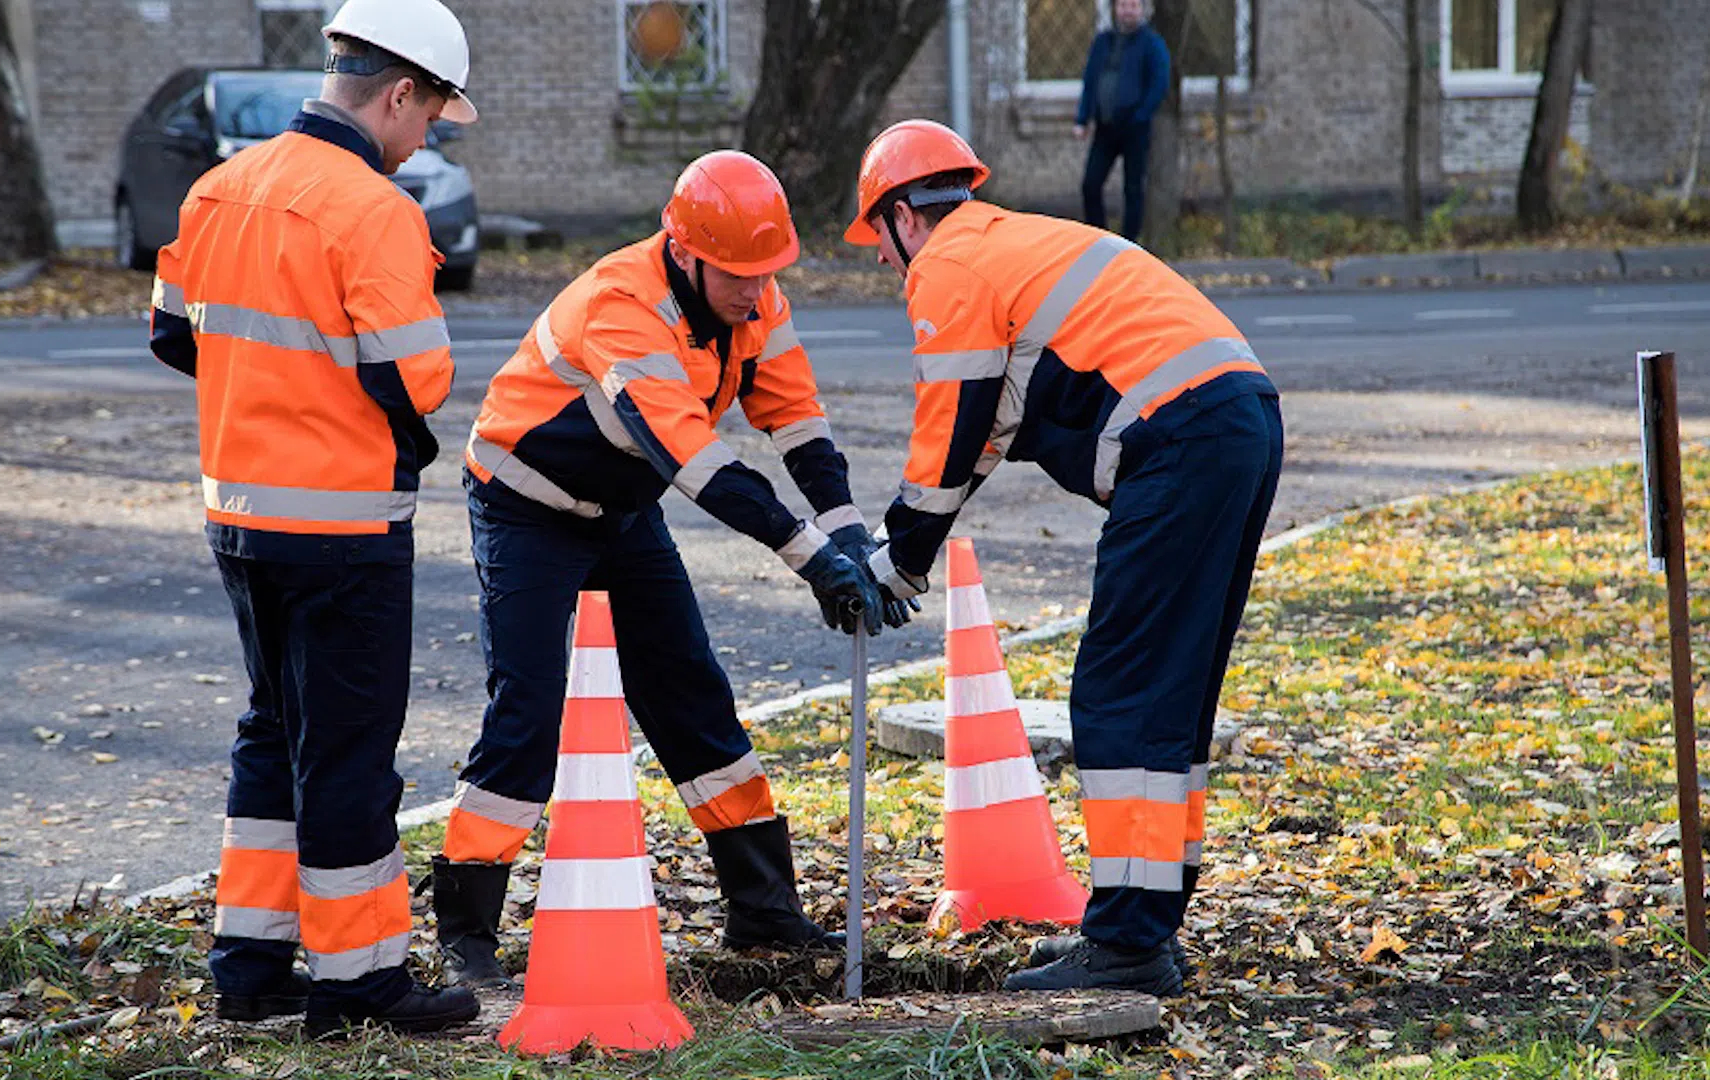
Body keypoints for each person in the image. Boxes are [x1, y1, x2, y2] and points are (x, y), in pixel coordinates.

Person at [427, 149, 897, 986]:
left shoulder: (756, 294)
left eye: (766, 273)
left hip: (621, 510)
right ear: (685, 254)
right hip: (526, 505)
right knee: (530, 710)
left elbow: (795, 417)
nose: (755, 293)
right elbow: (698, 461)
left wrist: (850, 534)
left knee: (692, 694)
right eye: (735, 276)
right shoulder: (621, 306)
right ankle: (465, 933)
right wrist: (809, 557)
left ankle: (762, 912)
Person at [843, 119, 1283, 997]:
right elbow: (984, 436)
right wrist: (909, 548)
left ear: (903, 215)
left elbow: (946, 431)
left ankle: (1126, 945)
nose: (887, 265)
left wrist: (897, 560)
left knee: (1121, 687)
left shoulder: (952, 264)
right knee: (1171, 692)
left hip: (1184, 439)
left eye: (880, 244)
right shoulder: (1016, 246)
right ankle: (1142, 925)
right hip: (1236, 421)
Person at [147, 0, 481, 1037]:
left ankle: (250, 971)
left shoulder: (220, 186)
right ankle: (361, 980)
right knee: (345, 750)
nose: (427, 139)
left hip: (237, 515)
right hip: (341, 525)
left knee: (271, 734)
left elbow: (171, 334)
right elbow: (414, 377)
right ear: (396, 94)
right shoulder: (375, 211)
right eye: (430, 119)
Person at [1074, 0, 1169, 241]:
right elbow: (1090, 81)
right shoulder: (1103, 42)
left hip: (1135, 129)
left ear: (1142, 9)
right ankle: (1100, 241)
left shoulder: (1151, 44)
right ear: (1116, 8)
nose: (1128, 10)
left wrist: (1140, 115)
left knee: (1133, 189)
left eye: (1133, 5)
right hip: (1105, 128)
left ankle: (1130, 245)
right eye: (1123, 5)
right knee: (1090, 185)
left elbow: (1159, 84)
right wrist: (1083, 118)